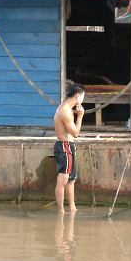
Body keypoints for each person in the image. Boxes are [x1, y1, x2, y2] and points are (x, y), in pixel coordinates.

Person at [54, 83, 86, 214]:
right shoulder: (65, 110)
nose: (83, 99)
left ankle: (72, 208)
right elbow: (75, 133)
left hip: (69, 145)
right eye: (83, 96)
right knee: (63, 179)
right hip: (64, 146)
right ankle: (61, 211)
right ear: (77, 96)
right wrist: (80, 116)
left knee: (71, 179)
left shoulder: (66, 107)